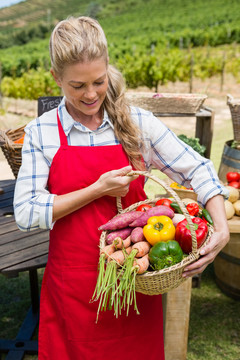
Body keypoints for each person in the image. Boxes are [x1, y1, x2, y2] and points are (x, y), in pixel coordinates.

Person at [13, 15, 229, 360]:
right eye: (77, 85)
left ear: (108, 67)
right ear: (56, 78)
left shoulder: (136, 121)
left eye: (98, 81)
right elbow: (26, 213)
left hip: (135, 277)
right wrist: (97, 189)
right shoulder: (42, 132)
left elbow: (198, 168)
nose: (91, 94)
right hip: (74, 285)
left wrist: (220, 227)